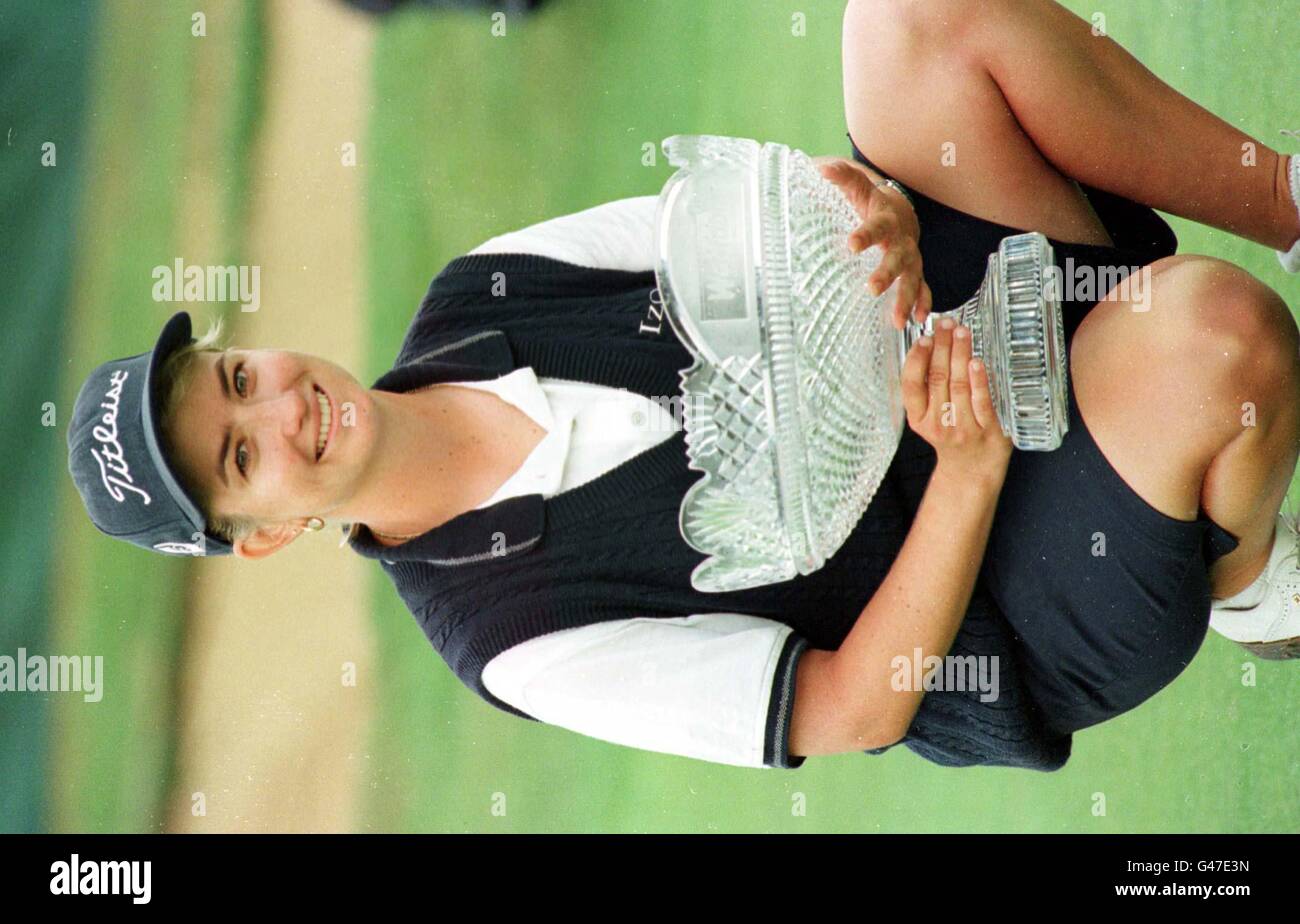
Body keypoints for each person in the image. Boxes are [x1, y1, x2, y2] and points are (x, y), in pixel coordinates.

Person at [67, 0, 1300, 771]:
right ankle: (1250, 582)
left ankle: (1288, 203)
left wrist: (870, 221)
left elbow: (763, 225)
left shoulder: (477, 290)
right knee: (1219, 338)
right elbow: (849, 709)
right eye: (242, 457)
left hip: (960, 333)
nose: (283, 410)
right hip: (1000, 594)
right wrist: (966, 476)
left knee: (908, 18)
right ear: (273, 531)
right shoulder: (511, 643)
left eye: (237, 376)